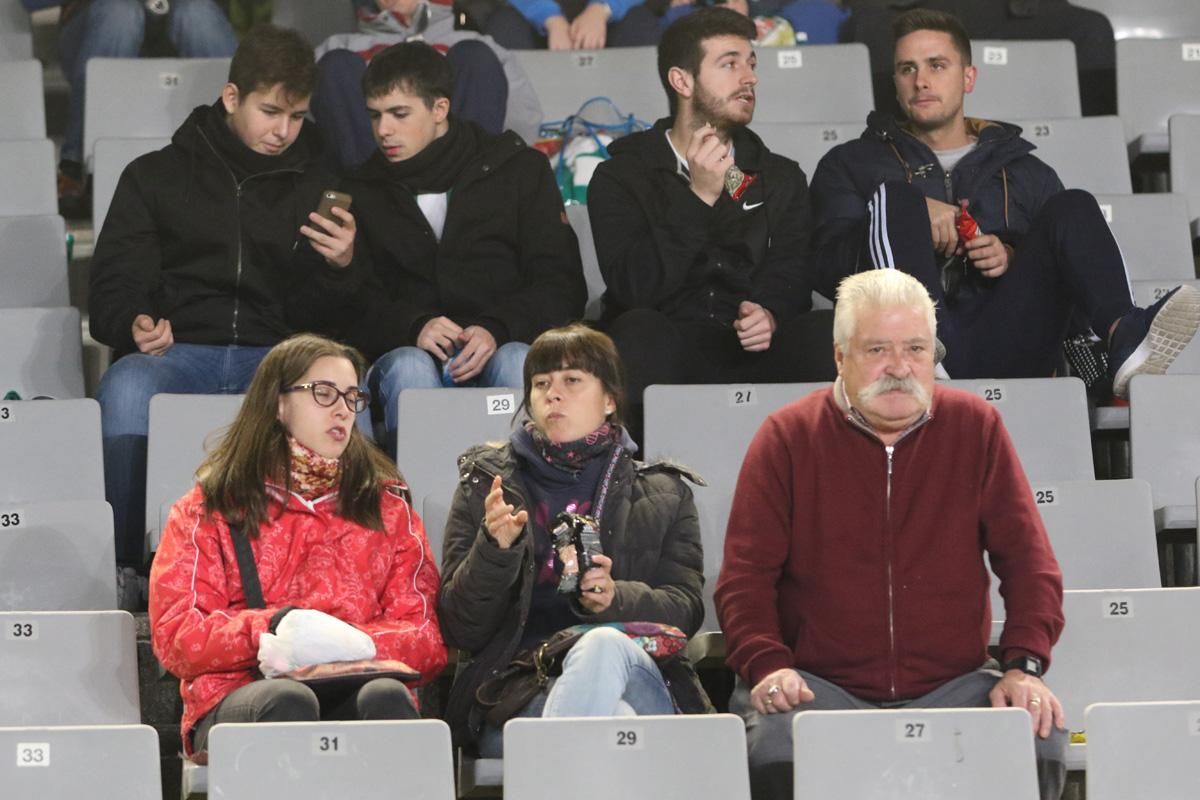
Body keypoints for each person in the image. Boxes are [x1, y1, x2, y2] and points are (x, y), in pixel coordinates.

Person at [715, 269, 1067, 800]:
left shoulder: (977, 427)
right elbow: (744, 580)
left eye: (916, 349)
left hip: (954, 686)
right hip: (815, 686)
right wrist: (769, 667)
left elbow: (1030, 565)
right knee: (774, 748)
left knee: (1036, 738)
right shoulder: (786, 437)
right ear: (839, 357)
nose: (900, 368)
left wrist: (1023, 667)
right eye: (878, 348)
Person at [88, 25, 359, 607]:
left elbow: (333, 319)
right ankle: (129, 567)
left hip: (277, 354)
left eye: (296, 117)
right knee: (129, 384)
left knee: (339, 388)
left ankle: (338, 558)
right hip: (180, 350)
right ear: (231, 97)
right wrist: (133, 321)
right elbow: (112, 282)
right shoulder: (155, 175)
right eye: (270, 112)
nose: (283, 131)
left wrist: (341, 268)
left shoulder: (320, 183)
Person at [808, 8, 1200, 398]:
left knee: (1073, 205)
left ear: (968, 77)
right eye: (907, 69)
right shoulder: (851, 163)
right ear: (894, 82)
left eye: (937, 65)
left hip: (1010, 340)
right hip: (901, 351)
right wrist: (905, 218)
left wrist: (1012, 255)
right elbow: (828, 272)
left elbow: (1069, 295)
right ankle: (922, 345)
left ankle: (1124, 335)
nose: (921, 81)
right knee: (896, 197)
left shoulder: (1027, 172)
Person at [149, 334, 448, 756]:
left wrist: (348, 644)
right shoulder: (209, 508)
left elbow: (425, 638)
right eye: (323, 393)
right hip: (245, 691)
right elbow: (176, 636)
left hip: (358, 681)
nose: (343, 409)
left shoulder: (388, 506)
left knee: (384, 696)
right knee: (289, 701)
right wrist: (275, 631)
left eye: (351, 397)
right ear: (277, 403)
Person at [437, 324, 711, 753]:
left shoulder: (664, 493)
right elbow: (461, 627)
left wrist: (615, 598)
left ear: (610, 400)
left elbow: (686, 610)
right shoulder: (486, 486)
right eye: (541, 383)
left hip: (639, 675)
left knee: (602, 645)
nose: (553, 394)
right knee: (613, 728)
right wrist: (495, 551)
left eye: (572, 380)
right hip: (520, 690)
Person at [588, 7, 835, 439]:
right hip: (666, 345)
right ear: (682, 81)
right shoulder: (621, 176)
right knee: (637, 330)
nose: (750, 77)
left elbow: (793, 270)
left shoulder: (779, 175)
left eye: (751, 63)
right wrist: (699, 196)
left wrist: (771, 313)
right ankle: (637, 484)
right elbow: (633, 286)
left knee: (829, 330)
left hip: (752, 346)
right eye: (730, 64)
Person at [335, 41, 585, 452]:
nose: (383, 130)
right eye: (375, 116)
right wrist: (414, 325)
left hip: (503, 340)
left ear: (439, 109)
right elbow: (354, 305)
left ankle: (528, 503)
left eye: (399, 114)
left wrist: (496, 328)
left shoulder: (517, 169)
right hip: (406, 351)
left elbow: (561, 283)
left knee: (515, 358)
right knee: (410, 367)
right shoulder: (360, 188)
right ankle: (411, 506)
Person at [20, 0, 237, 205]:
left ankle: (243, 150)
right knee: (120, 15)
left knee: (197, 16)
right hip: (98, 16)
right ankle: (78, 165)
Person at [311, 0, 544, 170]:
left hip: (461, 181)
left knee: (475, 56)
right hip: (367, 176)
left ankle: (470, 191)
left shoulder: (474, 46)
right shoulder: (338, 48)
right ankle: (369, 196)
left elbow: (521, 123)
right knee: (335, 64)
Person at [484, 0, 661, 51]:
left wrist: (602, 8)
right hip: (532, 22)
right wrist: (550, 18)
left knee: (640, 22)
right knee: (504, 24)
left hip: (610, 22)